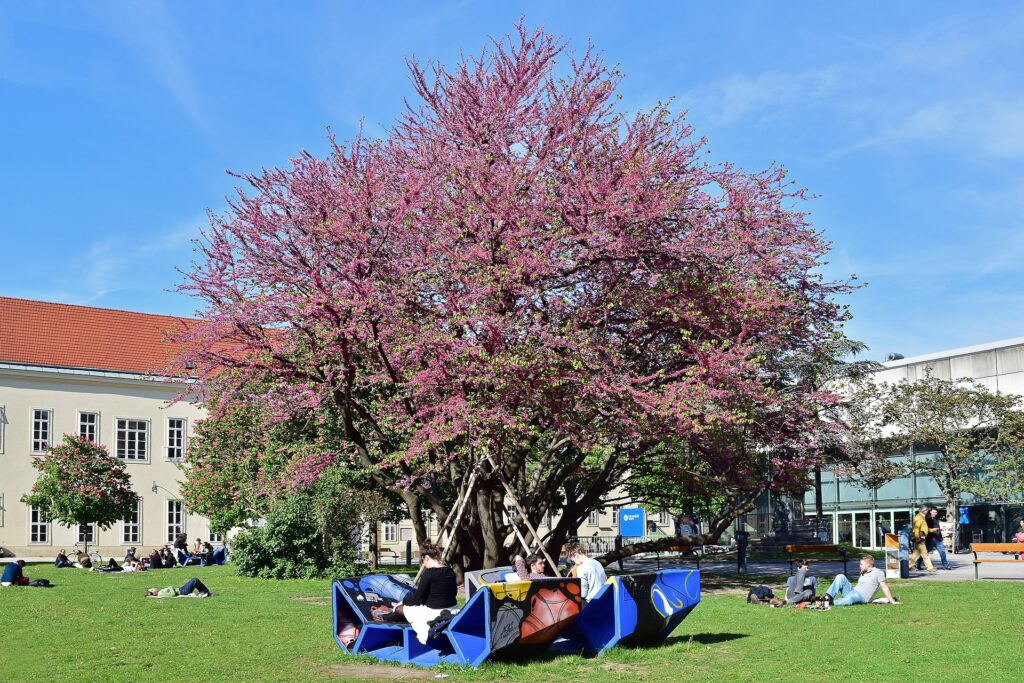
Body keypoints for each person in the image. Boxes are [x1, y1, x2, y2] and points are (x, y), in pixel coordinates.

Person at [379, 543, 457, 644]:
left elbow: (416, 598)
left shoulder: (429, 573)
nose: (423, 564)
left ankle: (386, 617)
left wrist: (403, 602)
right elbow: (453, 592)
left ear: (427, 558)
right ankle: (389, 615)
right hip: (451, 608)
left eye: (422, 560)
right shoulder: (450, 571)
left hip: (434, 613)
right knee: (406, 607)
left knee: (399, 609)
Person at [823, 555, 897, 606]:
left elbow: (884, 587)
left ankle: (831, 603)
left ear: (868, 565)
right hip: (852, 591)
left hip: (862, 597)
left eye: (861, 564)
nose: (859, 566)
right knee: (840, 576)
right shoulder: (863, 572)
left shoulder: (879, 572)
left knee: (850, 599)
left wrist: (892, 601)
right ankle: (828, 598)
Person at [907, 504, 935, 573]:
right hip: (920, 538)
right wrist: (917, 538)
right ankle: (929, 567)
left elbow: (923, 528)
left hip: (920, 538)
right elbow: (916, 529)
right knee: (925, 553)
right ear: (924, 510)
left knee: (916, 554)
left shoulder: (921, 517)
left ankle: (908, 566)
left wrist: (931, 530)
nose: (927, 511)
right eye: (927, 510)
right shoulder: (919, 517)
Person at [146, 577, 212, 598]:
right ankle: (205, 592)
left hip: (181, 589)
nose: (153, 588)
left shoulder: (160, 592)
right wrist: (170, 587)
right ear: (153, 593)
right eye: (152, 589)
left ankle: (204, 591)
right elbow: (172, 594)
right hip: (182, 592)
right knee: (194, 580)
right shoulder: (160, 594)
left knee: (194, 581)